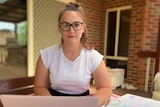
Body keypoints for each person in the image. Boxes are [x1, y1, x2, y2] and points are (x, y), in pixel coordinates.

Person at [34, 2, 112, 107]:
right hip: (53, 102)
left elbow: (105, 88)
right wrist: (51, 104)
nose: (71, 30)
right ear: (59, 28)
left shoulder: (94, 57)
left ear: (83, 28)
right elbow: (40, 86)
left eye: (76, 25)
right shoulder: (46, 54)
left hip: (83, 103)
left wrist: (91, 103)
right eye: (66, 25)